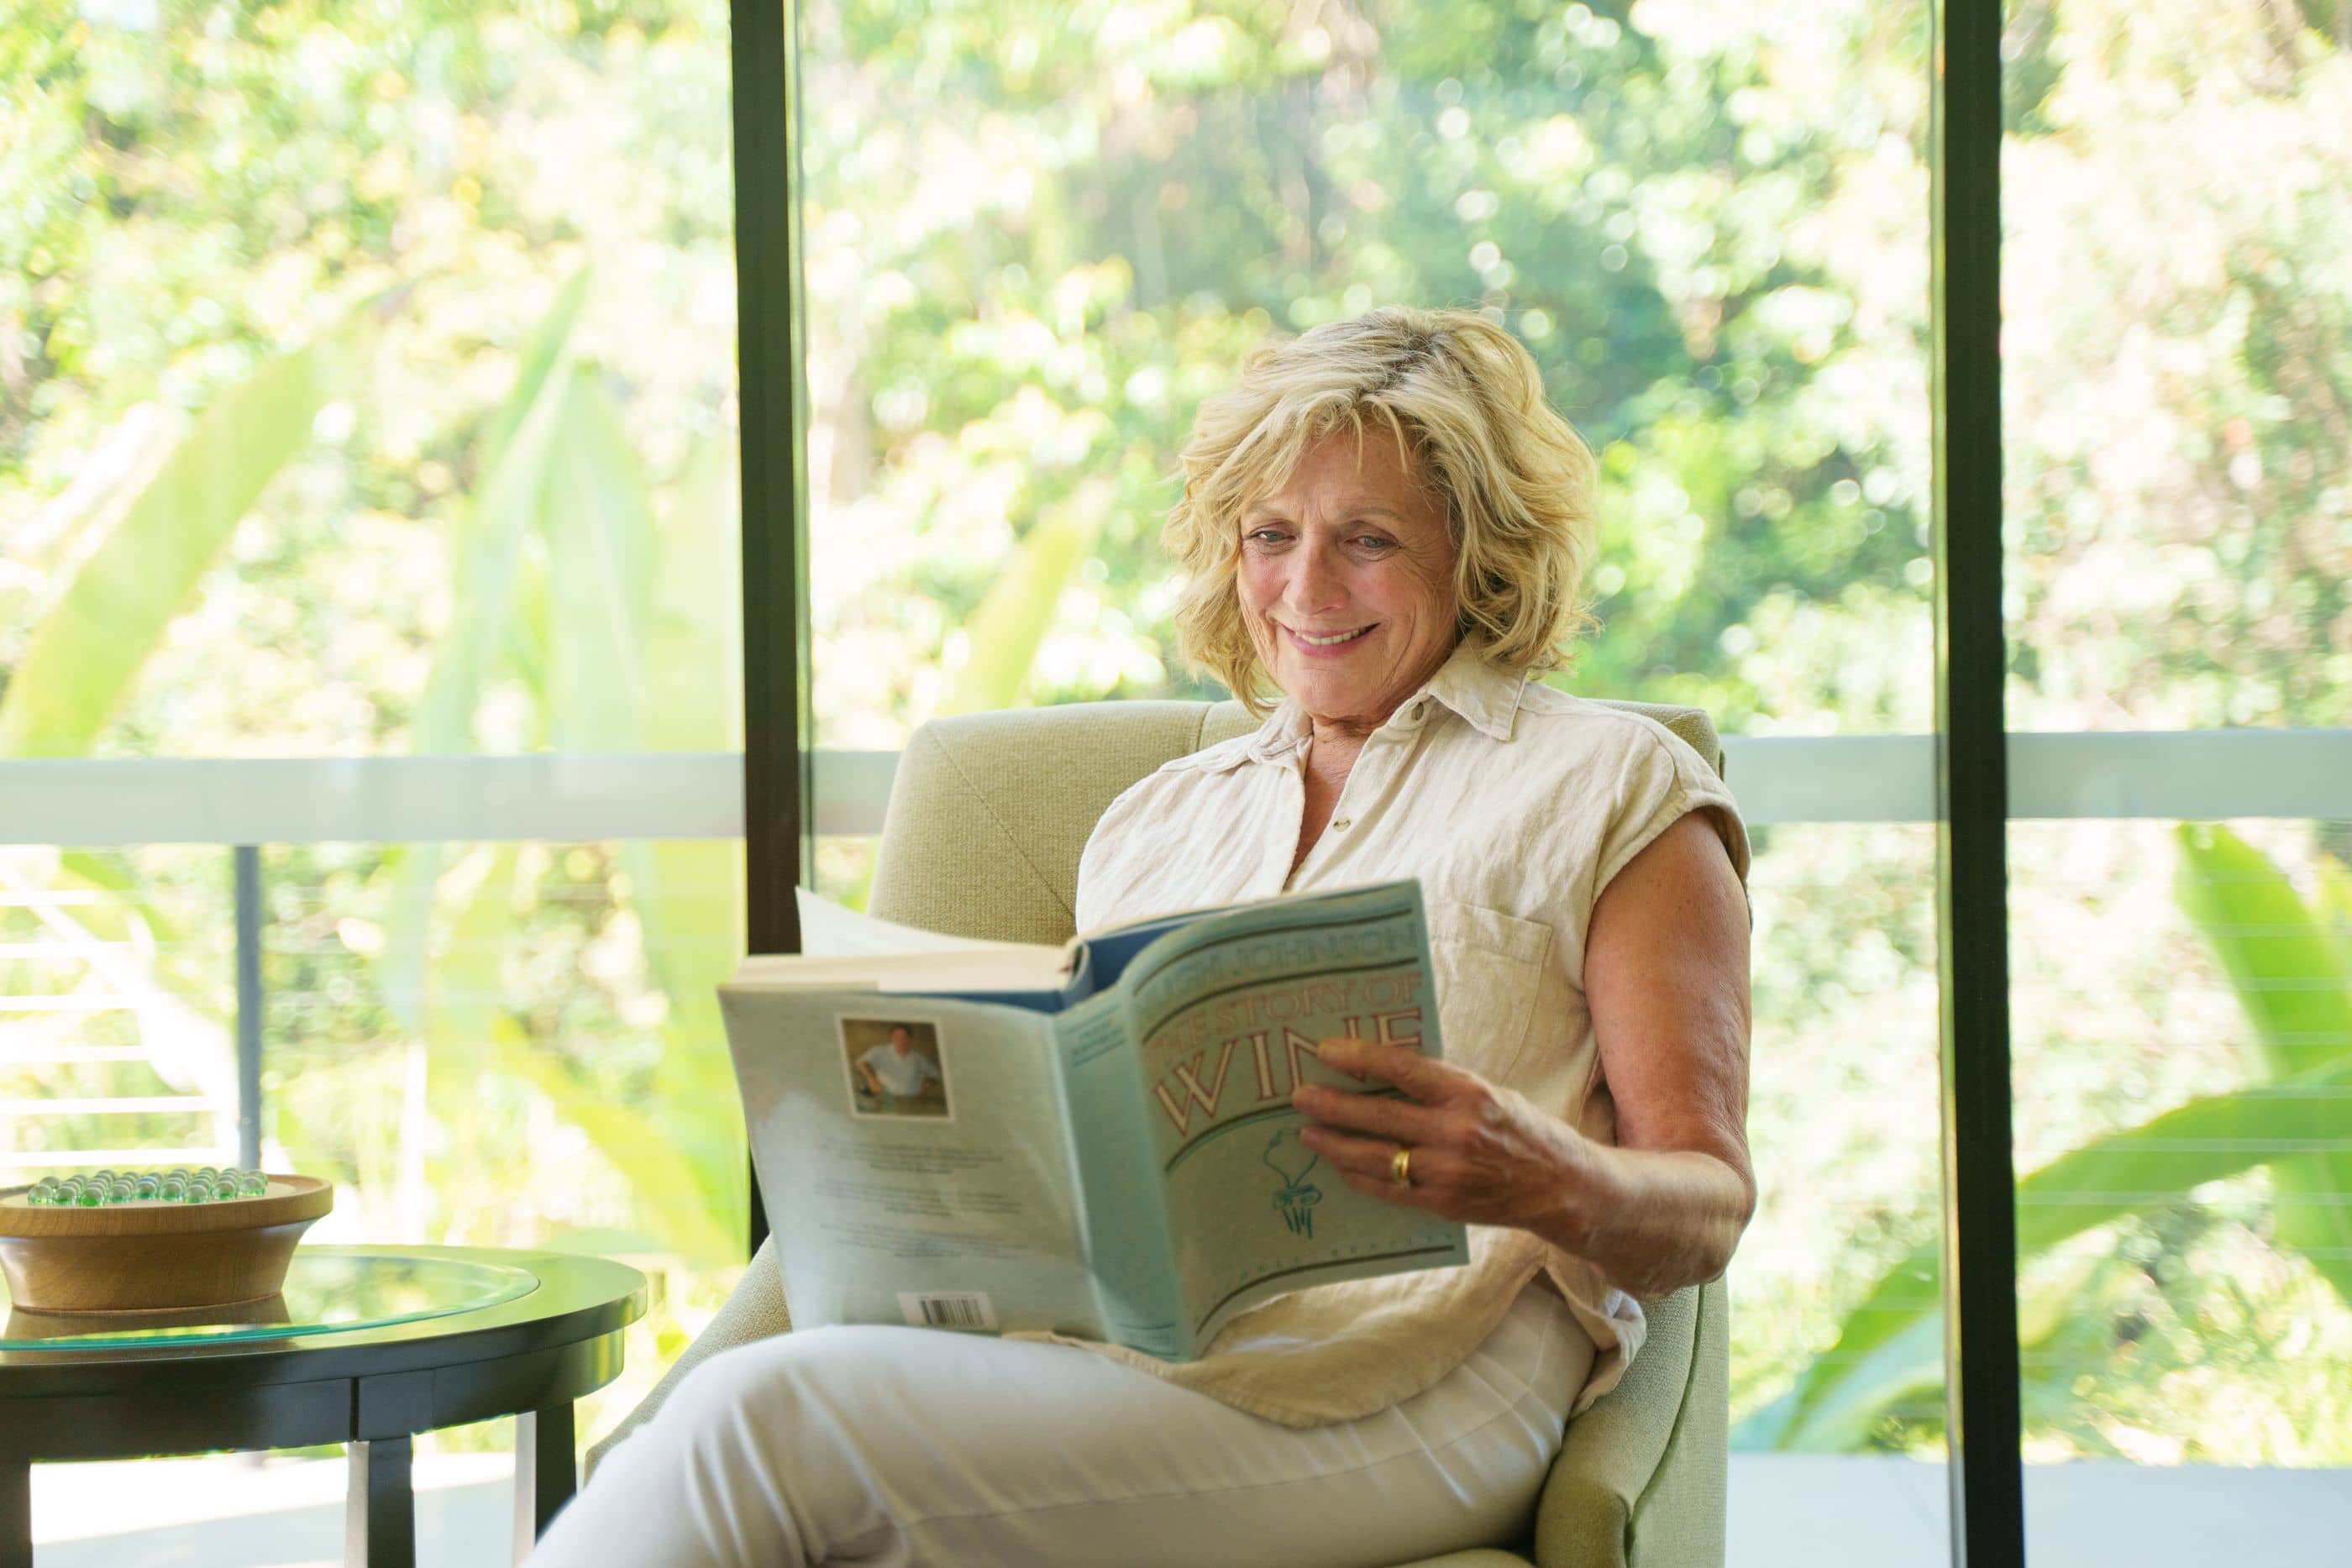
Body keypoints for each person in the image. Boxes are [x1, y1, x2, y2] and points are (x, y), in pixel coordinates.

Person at [529, 307, 1753, 1568]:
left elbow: (1708, 1202)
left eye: (1369, 540)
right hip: (1123, 1366)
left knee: (759, 1421)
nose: (1306, 586)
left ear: (1480, 551)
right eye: (1271, 535)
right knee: (777, 1428)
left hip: (1425, 1384)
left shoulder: (1616, 785)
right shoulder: (1155, 822)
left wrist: (1536, 1169)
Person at [855, 1023, 942, 1104]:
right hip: (886, 1099)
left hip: (912, 1100)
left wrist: (927, 1084)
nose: (900, 1041)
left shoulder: (918, 1057)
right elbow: (860, 1063)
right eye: (896, 1037)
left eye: (904, 1037)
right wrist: (871, 1078)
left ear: (910, 1039)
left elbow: (935, 1075)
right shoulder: (879, 1051)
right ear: (891, 1037)